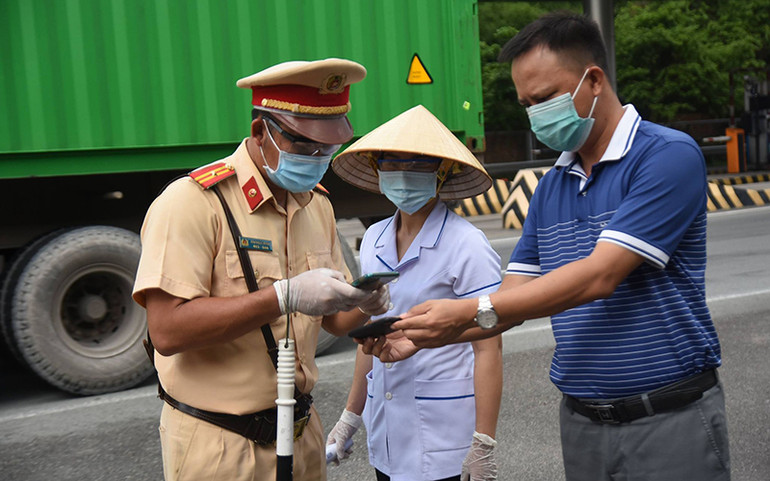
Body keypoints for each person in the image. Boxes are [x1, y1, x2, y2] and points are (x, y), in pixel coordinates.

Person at [366, 12, 731, 481]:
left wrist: (461, 311)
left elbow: (602, 275)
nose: (536, 114)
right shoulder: (552, 186)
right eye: (526, 104)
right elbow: (511, 304)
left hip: (668, 418)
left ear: (593, 79)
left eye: (544, 98)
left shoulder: (665, 156)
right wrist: (417, 336)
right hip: (582, 422)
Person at [132, 58, 390, 481]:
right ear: (261, 132)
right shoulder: (194, 203)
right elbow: (167, 331)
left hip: (302, 433)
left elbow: (334, 321)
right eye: (307, 146)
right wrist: (281, 297)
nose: (320, 158)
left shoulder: (317, 205)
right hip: (220, 443)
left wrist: (364, 302)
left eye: (329, 149)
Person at [326, 105, 503, 481]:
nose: (403, 174)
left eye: (418, 164)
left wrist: (483, 442)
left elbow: (489, 345)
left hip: (446, 434)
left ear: (441, 173)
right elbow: (371, 333)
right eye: (391, 163)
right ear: (377, 169)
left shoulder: (467, 243)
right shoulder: (373, 238)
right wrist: (349, 417)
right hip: (388, 430)